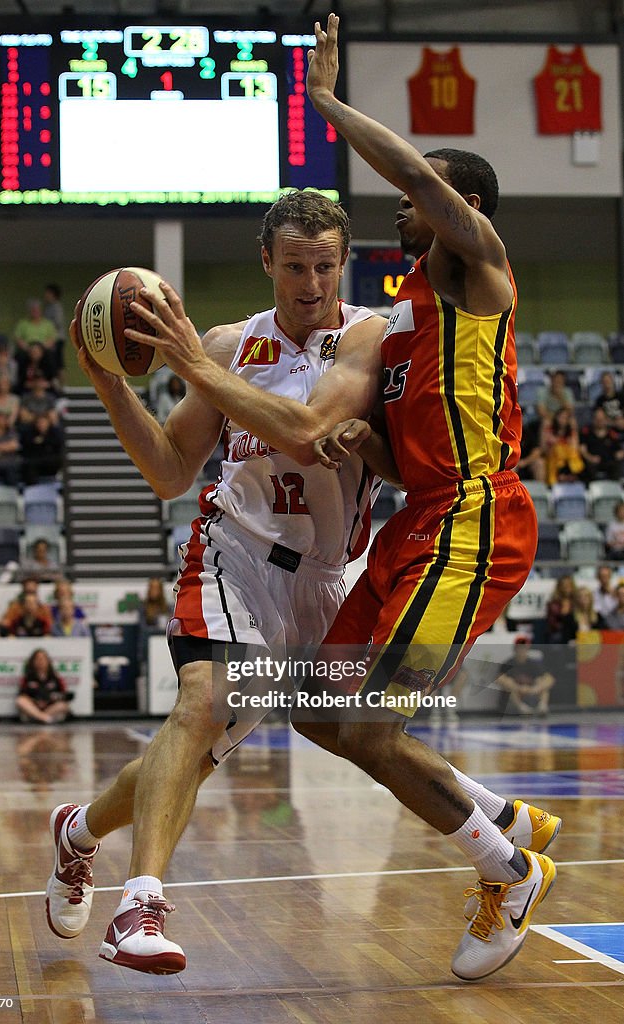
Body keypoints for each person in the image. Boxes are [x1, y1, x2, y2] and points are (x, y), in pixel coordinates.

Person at [44, 182, 559, 979]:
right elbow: (170, 470)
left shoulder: (370, 337)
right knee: (203, 705)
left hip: (327, 575)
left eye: (324, 266)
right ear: (266, 264)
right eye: (294, 267)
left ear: (344, 264)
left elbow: (306, 427)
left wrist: (181, 359)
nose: (310, 284)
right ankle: (140, 905)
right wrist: (110, 380)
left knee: (259, 737)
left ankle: (77, 832)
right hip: (235, 551)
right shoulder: (223, 343)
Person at [286, 14, 554, 982]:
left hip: (478, 523)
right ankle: (503, 816)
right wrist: (369, 444)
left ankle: (506, 865)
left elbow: (417, 181)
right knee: (312, 707)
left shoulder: (475, 267)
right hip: (419, 519)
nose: (397, 212)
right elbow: (411, 458)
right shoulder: (403, 321)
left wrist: (324, 102)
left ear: (459, 202)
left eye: (416, 199)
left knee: (370, 727)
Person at [495, 637, 555, 716]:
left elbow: (549, 679)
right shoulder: (508, 663)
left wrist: (536, 688)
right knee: (508, 684)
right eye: (520, 648)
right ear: (515, 649)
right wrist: (518, 688)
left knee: (542, 683)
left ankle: (542, 707)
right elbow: (499, 679)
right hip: (514, 697)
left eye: (524, 648)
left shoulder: (533, 663)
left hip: (532, 693)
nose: (522, 650)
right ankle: (522, 708)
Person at [16, 648, 72, 724]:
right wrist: (35, 701)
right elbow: (21, 694)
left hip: (50, 707)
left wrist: (50, 699)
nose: (40, 662)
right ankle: (43, 717)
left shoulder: (55, 677)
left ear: (48, 661)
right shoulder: (28, 677)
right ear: (33, 662)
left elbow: (64, 694)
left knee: (63, 705)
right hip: (33, 707)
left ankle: (40, 718)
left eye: (43, 659)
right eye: (38, 659)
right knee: (20, 701)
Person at [579, 406, 624, 482]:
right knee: (585, 466)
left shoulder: (612, 433)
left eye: (601, 419)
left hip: (609, 462)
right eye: (597, 419)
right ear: (593, 419)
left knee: (618, 465)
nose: (599, 421)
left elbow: (620, 450)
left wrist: (620, 453)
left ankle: (616, 488)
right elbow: (582, 449)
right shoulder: (586, 432)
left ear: (606, 419)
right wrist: (590, 457)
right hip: (592, 462)